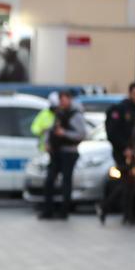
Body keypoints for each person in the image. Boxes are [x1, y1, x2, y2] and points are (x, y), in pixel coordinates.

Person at [99, 82, 135, 225]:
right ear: (130, 93)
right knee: (126, 182)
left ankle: (126, 214)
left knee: (130, 184)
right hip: (122, 152)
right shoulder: (120, 109)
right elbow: (112, 133)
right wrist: (124, 148)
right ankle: (106, 206)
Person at [38, 90, 87, 220]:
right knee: (49, 181)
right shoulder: (59, 112)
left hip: (69, 152)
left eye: (65, 99)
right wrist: (48, 143)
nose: (62, 102)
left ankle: (64, 211)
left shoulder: (75, 114)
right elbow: (52, 129)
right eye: (61, 100)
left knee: (66, 182)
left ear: (70, 99)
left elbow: (82, 134)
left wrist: (64, 133)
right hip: (56, 151)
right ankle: (48, 210)